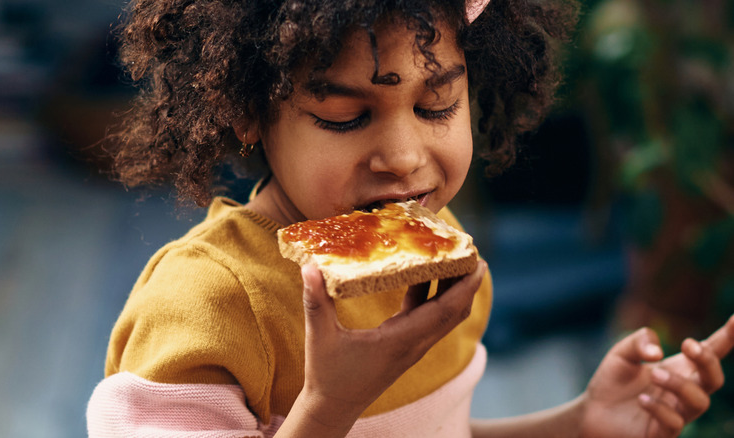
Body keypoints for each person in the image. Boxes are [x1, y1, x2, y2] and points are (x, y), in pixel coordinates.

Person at [86, 0, 734, 436]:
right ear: (246, 111)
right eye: (346, 117)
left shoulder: (443, 253)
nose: (403, 159)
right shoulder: (207, 307)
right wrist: (327, 406)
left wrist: (581, 419)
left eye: (436, 105)